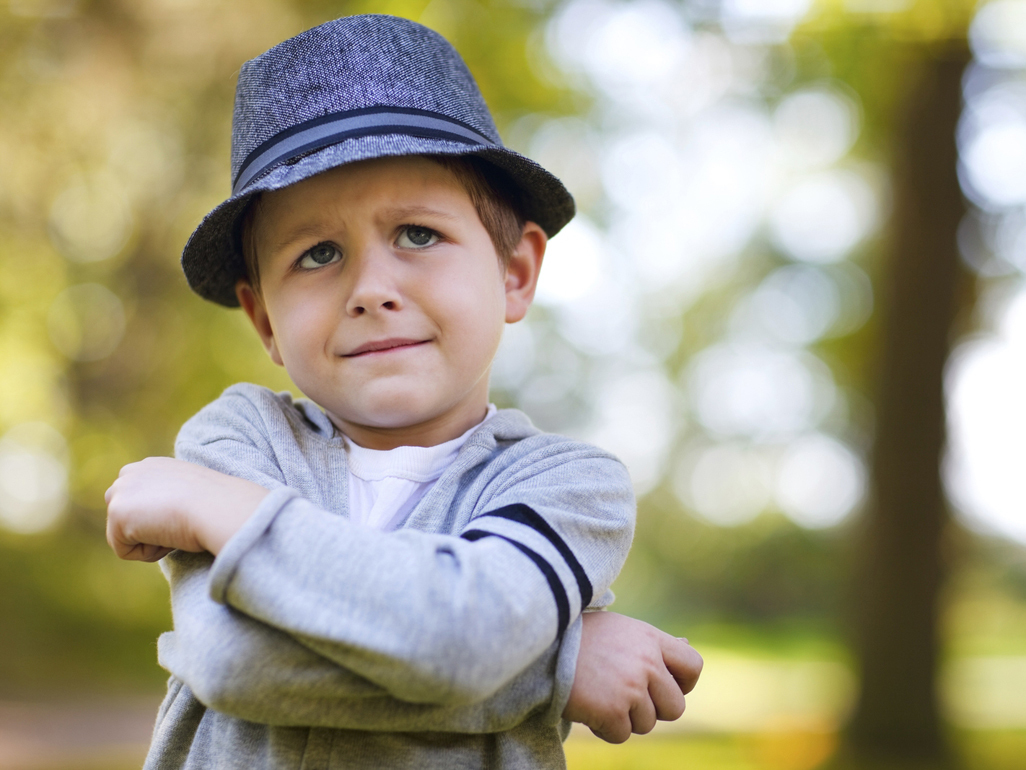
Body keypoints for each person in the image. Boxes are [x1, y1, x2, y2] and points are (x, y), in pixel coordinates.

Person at [104, 14, 703, 770]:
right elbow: (234, 663)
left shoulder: (566, 486)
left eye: (418, 235)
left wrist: (220, 511)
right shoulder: (239, 439)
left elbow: (462, 642)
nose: (372, 289)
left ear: (514, 273)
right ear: (264, 319)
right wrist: (557, 668)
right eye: (317, 253)